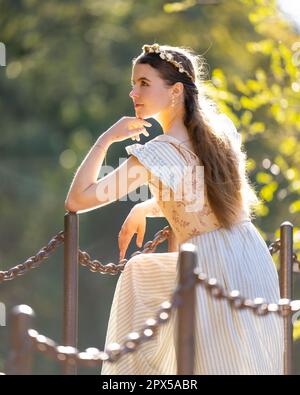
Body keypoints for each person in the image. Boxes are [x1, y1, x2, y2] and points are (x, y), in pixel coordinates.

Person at [65, 43, 283, 375]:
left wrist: (106, 139)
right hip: (248, 256)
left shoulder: (158, 152)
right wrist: (146, 209)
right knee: (139, 273)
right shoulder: (217, 133)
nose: (133, 91)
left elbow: (77, 200)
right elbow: (197, 197)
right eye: (134, 83)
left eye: (144, 83)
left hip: (211, 265)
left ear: (175, 91)